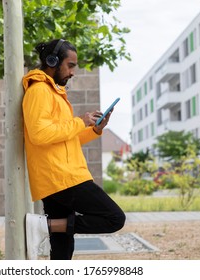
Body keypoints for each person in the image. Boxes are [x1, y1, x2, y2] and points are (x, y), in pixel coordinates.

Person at [22, 39, 125, 260]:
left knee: (62, 250)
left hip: (58, 177)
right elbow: (39, 134)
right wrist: (80, 121)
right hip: (62, 178)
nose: (72, 72)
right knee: (114, 218)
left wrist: (94, 130)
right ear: (52, 61)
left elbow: (65, 139)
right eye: (70, 65)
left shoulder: (53, 92)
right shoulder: (39, 90)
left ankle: (45, 226)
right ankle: (43, 226)